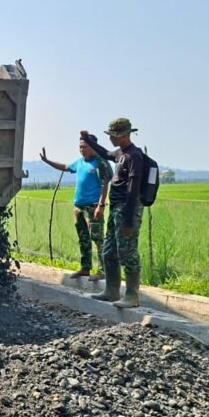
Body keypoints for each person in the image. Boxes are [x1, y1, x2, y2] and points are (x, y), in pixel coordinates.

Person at [81, 118, 146, 308]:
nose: (110, 139)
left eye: (113, 136)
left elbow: (133, 189)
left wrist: (127, 220)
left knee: (128, 252)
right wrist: (89, 140)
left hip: (128, 209)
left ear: (124, 135)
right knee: (110, 251)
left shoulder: (134, 156)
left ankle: (132, 295)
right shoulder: (120, 153)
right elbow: (105, 153)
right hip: (116, 208)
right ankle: (111, 291)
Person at [39, 132, 112, 280]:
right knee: (83, 238)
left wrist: (101, 206)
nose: (81, 150)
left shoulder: (100, 163)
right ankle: (85, 268)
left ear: (93, 147)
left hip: (93, 207)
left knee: (98, 239)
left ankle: (103, 270)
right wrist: (47, 161)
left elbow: (105, 185)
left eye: (84, 147)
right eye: (80, 147)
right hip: (78, 207)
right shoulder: (79, 162)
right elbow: (65, 167)